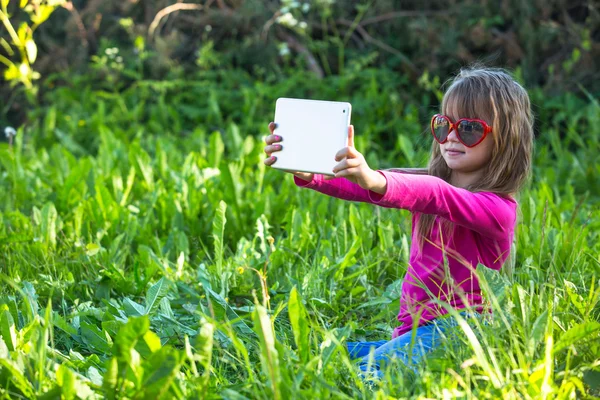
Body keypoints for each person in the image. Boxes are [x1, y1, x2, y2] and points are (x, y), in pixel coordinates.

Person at [262, 66, 534, 379]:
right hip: (415, 331)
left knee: (369, 369)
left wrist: (374, 178)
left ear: (505, 139)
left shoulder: (498, 209)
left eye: (470, 128)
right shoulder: (431, 182)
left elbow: (436, 195)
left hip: (465, 329)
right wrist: (310, 174)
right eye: (444, 125)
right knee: (330, 349)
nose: (452, 138)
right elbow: (370, 186)